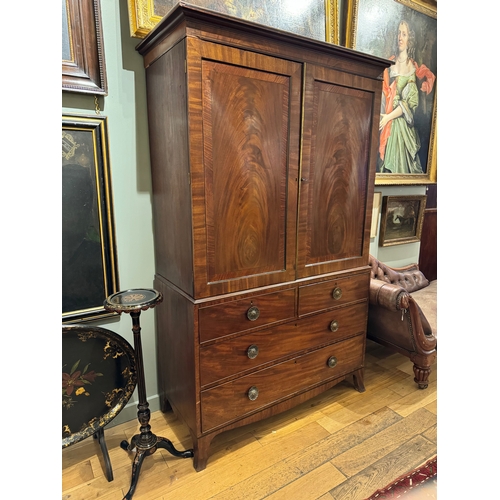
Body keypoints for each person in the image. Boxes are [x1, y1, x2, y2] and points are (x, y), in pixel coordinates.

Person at [378, 20, 435, 174]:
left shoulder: (413, 68)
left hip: (402, 129)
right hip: (387, 125)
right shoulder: (389, 64)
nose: (400, 37)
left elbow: (408, 105)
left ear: (410, 39)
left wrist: (388, 117)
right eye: (399, 33)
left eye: (404, 34)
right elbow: (383, 93)